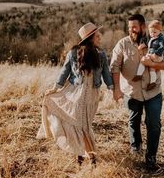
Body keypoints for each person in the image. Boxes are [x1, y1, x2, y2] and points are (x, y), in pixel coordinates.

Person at [37, 22, 113, 167]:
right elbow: (65, 71)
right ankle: (90, 159)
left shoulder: (101, 55)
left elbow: (106, 74)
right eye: (97, 36)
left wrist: (112, 88)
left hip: (93, 96)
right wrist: (55, 88)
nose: (100, 38)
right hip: (76, 94)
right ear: (90, 38)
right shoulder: (74, 53)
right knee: (81, 126)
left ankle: (83, 157)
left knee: (85, 126)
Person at [110, 14, 164, 171]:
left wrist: (152, 63)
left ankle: (151, 158)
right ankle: (136, 150)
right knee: (134, 122)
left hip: (153, 91)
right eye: (129, 28)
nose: (132, 30)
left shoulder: (155, 41)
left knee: (154, 124)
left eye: (135, 27)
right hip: (132, 91)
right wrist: (116, 88)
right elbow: (114, 66)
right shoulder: (122, 44)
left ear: (143, 27)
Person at [133, 20, 164, 91]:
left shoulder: (161, 39)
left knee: (143, 60)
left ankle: (139, 74)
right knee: (152, 69)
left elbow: (162, 47)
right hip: (153, 54)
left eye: (155, 32)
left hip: (157, 55)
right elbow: (149, 43)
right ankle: (152, 82)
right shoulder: (152, 38)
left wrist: (156, 54)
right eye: (151, 32)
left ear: (160, 31)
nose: (152, 34)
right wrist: (143, 45)